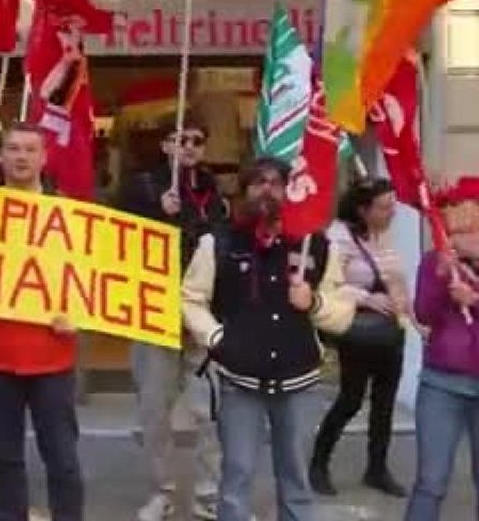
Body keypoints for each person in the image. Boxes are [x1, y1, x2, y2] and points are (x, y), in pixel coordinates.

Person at [182, 157, 355, 521]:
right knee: (236, 478)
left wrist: (315, 302)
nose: (266, 190)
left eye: (276, 183)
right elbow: (191, 299)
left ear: (290, 191)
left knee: (295, 480)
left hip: (300, 380)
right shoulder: (218, 243)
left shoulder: (317, 246)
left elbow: (342, 314)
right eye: (257, 183)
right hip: (239, 380)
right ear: (244, 191)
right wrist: (216, 338)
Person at [0, 122, 84, 521]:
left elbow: (87, 276)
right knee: (1, 456)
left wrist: (79, 316)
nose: (21, 157)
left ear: (44, 157)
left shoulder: (66, 210)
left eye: (30, 150)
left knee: (63, 456)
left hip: (53, 353)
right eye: (13, 149)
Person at [118, 117, 228, 521]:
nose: (190, 147)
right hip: (155, 313)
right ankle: (160, 492)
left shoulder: (213, 192)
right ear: (165, 146)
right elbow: (117, 236)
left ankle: (209, 494)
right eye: (181, 139)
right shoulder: (142, 186)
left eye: (198, 140)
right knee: (154, 411)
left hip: (201, 315)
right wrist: (155, 212)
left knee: (212, 412)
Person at [310, 178, 409, 497]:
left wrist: (406, 310)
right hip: (360, 330)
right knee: (351, 400)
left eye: (393, 206)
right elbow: (328, 285)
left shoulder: (383, 235)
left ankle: (377, 468)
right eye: (384, 207)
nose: (391, 212)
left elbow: (394, 277)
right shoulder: (337, 238)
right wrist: (366, 297)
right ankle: (319, 464)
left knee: (384, 404)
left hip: (391, 330)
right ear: (362, 210)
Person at [403, 177, 479, 521]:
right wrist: (441, 273)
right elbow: (423, 313)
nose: (455, 216)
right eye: (449, 208)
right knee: (431, 481)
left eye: (463, 207)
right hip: (442, 384)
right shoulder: (435, 259)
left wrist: (475, 299)